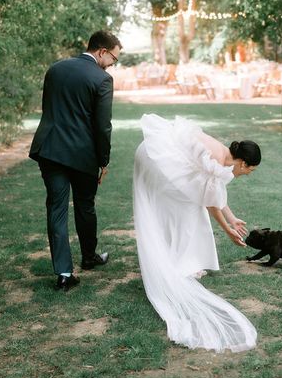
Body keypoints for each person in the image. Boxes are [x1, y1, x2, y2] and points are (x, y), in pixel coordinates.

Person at [133, 113, 261, 352]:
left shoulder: (225, 158)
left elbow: (214, 192)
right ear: (243, 163)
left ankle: (184, 260)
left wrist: (232, 219)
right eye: (250, 170)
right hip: (154, 158)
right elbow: (209, 200)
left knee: (188, 209)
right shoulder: (216, 158)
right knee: (190, 210)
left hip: (157, 154)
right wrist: (227, 230)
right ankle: (182, 263)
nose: (248, 174)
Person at [29, 30, 122, 292]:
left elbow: (51, 108)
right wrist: (103, 161)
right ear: (102, 51)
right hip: (82, 155)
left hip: (50, 149)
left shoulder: (55, 69)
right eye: (114, 58)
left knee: (56, 209)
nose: (114, 64)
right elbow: (103, 126)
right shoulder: (102, 79)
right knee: (85, 205)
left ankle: (64, 273)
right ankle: (89, 257)